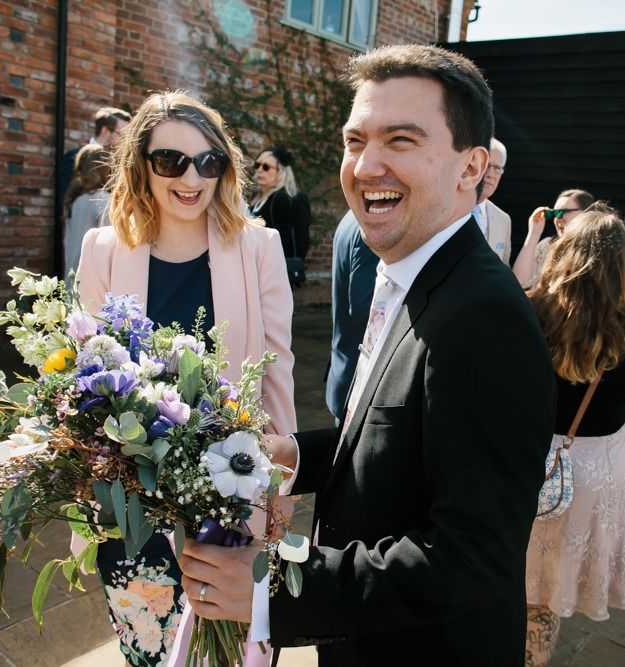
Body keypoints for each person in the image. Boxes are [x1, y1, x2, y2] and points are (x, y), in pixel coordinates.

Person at [176, 44, 556, 666]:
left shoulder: (484, 319)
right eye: (356, 141)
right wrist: (297, 455)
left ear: (471, 169)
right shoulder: (410, 273)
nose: (366, 165)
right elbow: (395, 442)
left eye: (401, 140)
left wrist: (271, 589)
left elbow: (473, 558)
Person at [75, 91, 296, 667]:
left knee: (234, 654)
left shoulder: (258, 247)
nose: (191, 177)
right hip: (132, 508)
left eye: (209, 161)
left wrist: (282, 480)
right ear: (141, 166)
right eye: (171, 161)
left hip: (229, 502)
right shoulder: (102, 249)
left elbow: (277, 370)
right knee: (149, 650)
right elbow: (85, 375)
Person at [524, 204, 625, 667]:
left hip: (530, 462)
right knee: (546, 597)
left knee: (514, 578)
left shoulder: (532, 309)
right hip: (595, 472)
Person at [324, 209, 377, 424]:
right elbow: (366, 310)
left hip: (344, 367)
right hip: (359, 380)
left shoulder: (350, 217)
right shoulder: (373, 228)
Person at [248, 146, 310, 280]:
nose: (259, 170)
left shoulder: (282, 198)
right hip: (255, 267)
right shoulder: (256, 198)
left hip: (274, 272)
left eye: (266, 167)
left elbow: (296, 238)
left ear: (280, 172)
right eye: (257, 165)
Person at [512, 188, 594, 288]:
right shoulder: (546, 245)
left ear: (586, 213)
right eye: (554, 213)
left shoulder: (596, 250)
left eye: (564, 211)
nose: (558, 218)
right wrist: (534, 233)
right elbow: (518, 281)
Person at [58, 106, 132, 205]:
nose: (125, 140)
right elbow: (65, 199)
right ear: (105, 131)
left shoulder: (120, 162)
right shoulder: (74, 156)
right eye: (122, 134)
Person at [63, 144, 111, 280]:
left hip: (71, 278)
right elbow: (110, 246)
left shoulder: (73, 199)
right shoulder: (104, 199)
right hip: (93, 282)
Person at [472, 137, 512, 263]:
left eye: (497, 168)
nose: (490, 174)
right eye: (487, 165)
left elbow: (503, 268)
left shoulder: (503, 220)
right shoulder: (446, 209)